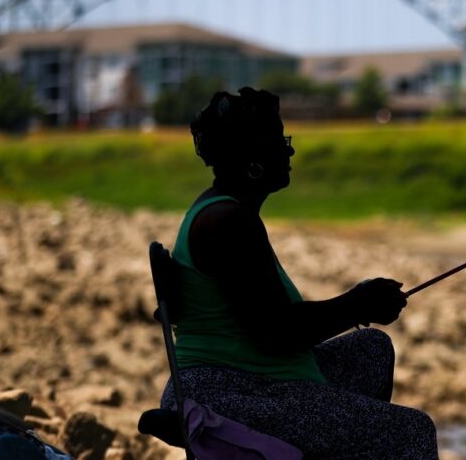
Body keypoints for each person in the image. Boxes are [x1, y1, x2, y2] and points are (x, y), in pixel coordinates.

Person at [160, 87, 438, 459]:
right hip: (225, 393)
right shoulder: (228, 223)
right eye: (278, 140)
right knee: (412, 432)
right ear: (252, 160)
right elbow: (277, 334)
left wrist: (357, 305)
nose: (288, 150)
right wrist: (358, 305)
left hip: (246, 379)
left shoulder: (225, 212)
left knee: (371, 349)